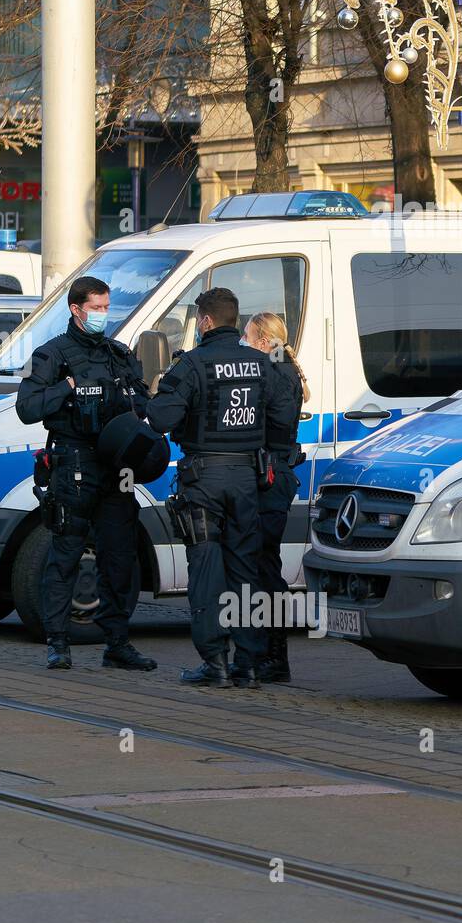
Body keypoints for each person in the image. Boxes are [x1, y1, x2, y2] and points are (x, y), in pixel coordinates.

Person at [148, 287, 294, 688]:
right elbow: (284, 414)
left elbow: (161, 418)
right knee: (246, 569)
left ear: (207, 321)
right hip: (248, 480)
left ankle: (216, 661)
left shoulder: (193, 364)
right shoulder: (262, 364)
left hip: (204, 480)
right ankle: (248, 662)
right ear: (235, 319)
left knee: (207, 570)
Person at [15, 276, 157, 672]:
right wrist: (68, 386)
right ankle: (58, 644)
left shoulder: (119, 353)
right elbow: (27, 408)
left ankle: (117, 644)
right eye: (96, 307)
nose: (102, 315)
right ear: (76, 309)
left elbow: (143, 402)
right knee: (65, 557)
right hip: (75, 465)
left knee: (119, 557)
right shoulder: (52, 355)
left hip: (116, 467)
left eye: (105, 307)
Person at [243, 311, 308, 684]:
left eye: (248, 338)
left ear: (264, 342)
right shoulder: (279, 368)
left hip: (271, 479)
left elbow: (269, 424)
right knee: (261, 564)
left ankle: (273, 655)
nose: (244, 345)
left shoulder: (276, 373)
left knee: (264, 567)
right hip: (272, 475)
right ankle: (265, 652)